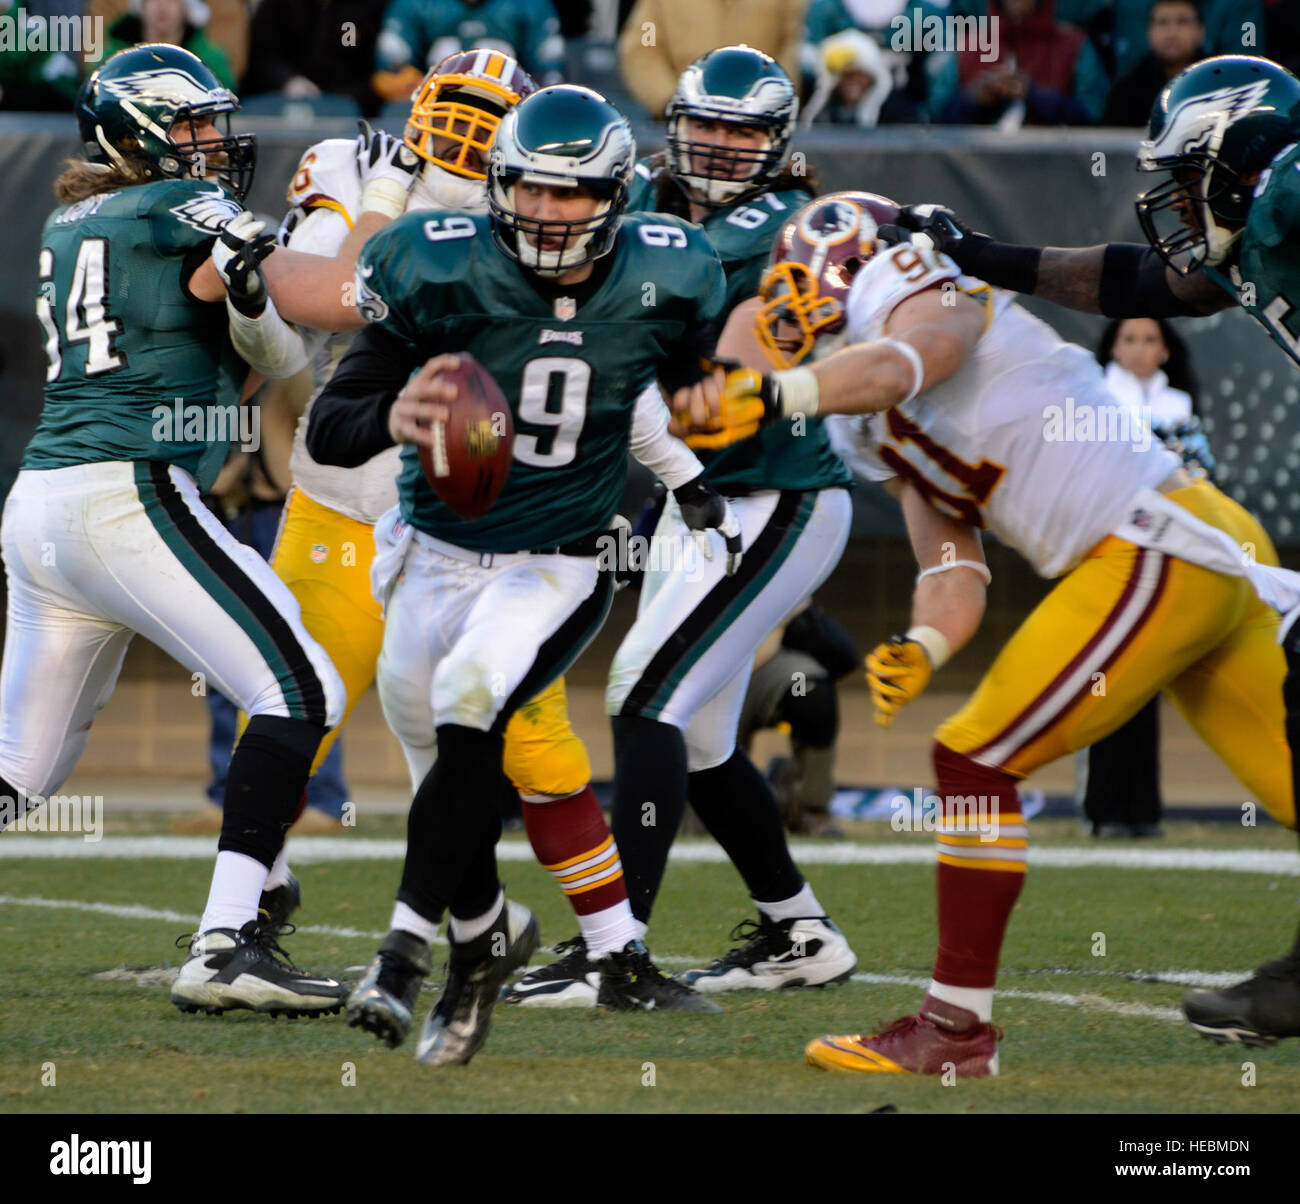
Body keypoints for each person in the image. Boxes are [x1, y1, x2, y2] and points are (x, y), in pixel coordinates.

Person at [675, 188, 1297, 1075]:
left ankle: (954, 1032)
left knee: (973, 762)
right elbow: (952, 561)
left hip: (1158, 543)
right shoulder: (854, 416)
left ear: (851, 257)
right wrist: (926, 643)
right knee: (1290, 790)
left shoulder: (920, 281)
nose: (784, 302)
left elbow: (911, 361)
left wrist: (782, 391)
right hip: (1182, 550)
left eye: (799, 276)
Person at [306, 84, 743, 1066]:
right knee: (441, 767)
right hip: (428, 553)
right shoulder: (439, 269)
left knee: (472, 711)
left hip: (558, 560)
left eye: (572, 194)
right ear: (498, 185)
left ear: (618, 196)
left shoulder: (667, 277)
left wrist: (698, 455)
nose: (546, 214)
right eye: (529, 191)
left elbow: (667, 383)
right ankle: (482, 945)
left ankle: (403, 958)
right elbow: (334, 428)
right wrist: (397, 414)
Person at [890, 53, 1300, 1046]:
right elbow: (1140, 280)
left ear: (1240, 160)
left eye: (1183, 174)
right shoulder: (1257, 235)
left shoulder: (1291, 193)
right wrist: (985, 257)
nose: (1169, 201)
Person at [0, 43, 354, 1017]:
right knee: (300, 686)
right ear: (143, 132)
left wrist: (254, 307)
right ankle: (226, 942)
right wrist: (371, 235)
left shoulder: (78, 212)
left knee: (22, 768)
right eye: (194, 123)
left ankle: (251, 911)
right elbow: (311, 305)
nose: (214, 141)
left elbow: (260, 345)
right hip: (127, 491)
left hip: (43, 504)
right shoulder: (170, 205)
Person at [503, 47, 858, 1008]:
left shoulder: (787, 227)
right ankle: (801, 931)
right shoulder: (645, 205)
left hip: (774, 495)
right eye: (705, 123)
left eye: (742, 130)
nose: (719, 143)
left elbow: (730, 360)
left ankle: (617, 952)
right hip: (695, 505)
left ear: (778, 146)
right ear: (675, 124)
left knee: (644, 697)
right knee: (698, 739)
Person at [1101, 0, 1205, 126]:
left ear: (1200, 31)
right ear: (1149, 32)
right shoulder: (1127, 90)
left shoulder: (1219, 82)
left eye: (1182, 22)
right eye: (1162, 22)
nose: (1172, 33)